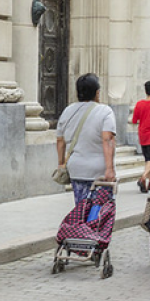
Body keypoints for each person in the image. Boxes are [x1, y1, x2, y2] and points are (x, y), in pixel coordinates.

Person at [56, 74, 117, 204]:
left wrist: (61, 163)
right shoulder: (105, 111)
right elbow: (107, 139)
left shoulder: (67, 111)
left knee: (81, 210)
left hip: (76, 169)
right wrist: (110, 169)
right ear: (97, 93)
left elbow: (60, 141)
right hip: (99, 171)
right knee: (99, 214)